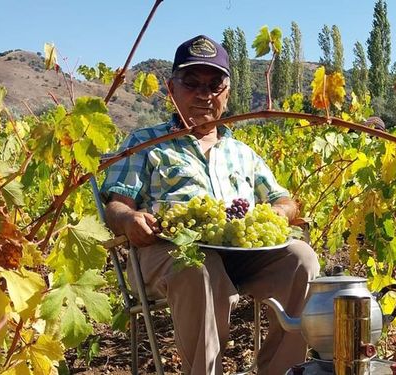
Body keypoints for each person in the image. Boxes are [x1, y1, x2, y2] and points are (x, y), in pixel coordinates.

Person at [100, 35, 320, 375]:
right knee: (199, 269)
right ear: (172, 89)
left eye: (214, 84)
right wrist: (130, 218)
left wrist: (280, 212)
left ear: (227, 93)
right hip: (170, 253)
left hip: (241, 257)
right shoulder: (144, 143)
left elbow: (286, 201)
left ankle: (282, 370)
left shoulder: (243, 152)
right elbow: (117, 205)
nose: (204, 94)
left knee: (301, 259)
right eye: (192, 83)